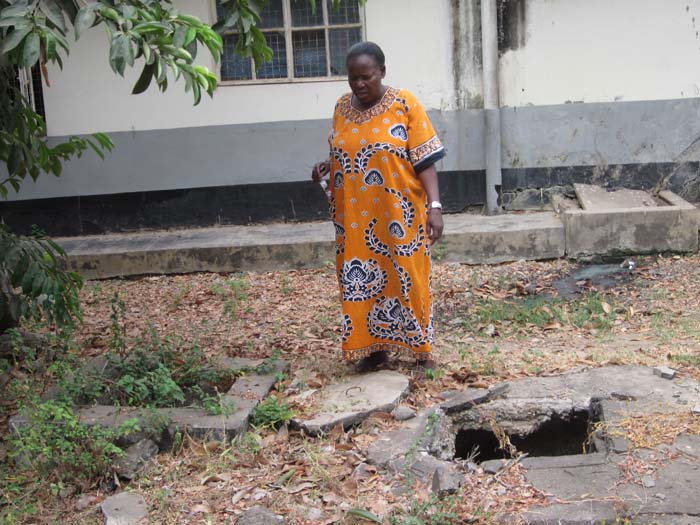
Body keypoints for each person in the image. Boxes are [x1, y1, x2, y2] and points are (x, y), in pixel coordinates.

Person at [312, 41, 445, 370]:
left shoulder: (404, 103)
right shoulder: (341, 107)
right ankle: (372, 351)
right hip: (355, 221)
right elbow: (345, 148)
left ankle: (421, 352)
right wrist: (327, 166)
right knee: (360, 282)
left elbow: (425, 160)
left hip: (399, 215)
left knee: (408, 278)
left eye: (366, 76)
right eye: (353, 77)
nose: (359, 84)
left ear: (382, 72)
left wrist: (435, 207)